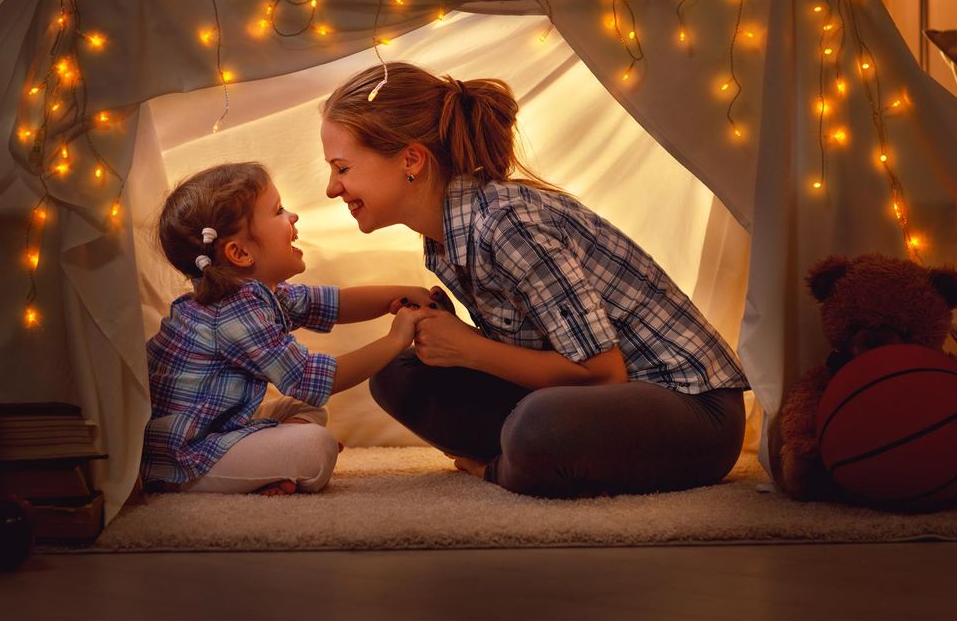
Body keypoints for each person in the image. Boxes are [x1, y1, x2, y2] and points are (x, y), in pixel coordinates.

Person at [319, 62, 750, 499]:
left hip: (691, 411)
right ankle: (530, 460)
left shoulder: (507, 224)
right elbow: (540, 351)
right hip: (593, 403)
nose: (332, 189)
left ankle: (504, 468)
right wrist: (454, 341)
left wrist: (469, 349)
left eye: (342, 168)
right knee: (397, 374)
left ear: (410, 160)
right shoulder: (444, 239)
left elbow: (602, 375)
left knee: (539, 425)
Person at [142, 161, 431, 497]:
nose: (292, 216)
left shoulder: (256, 294)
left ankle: (271, 465)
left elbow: (333, 304)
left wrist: (400, 295)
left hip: (218, 425)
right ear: (239, 253)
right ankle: (274, 463)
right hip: (185, 454)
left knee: (303, 410)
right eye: (278, 211)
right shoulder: (234, 311)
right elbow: (311, 379)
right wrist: (397, 339)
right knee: (315, 447)